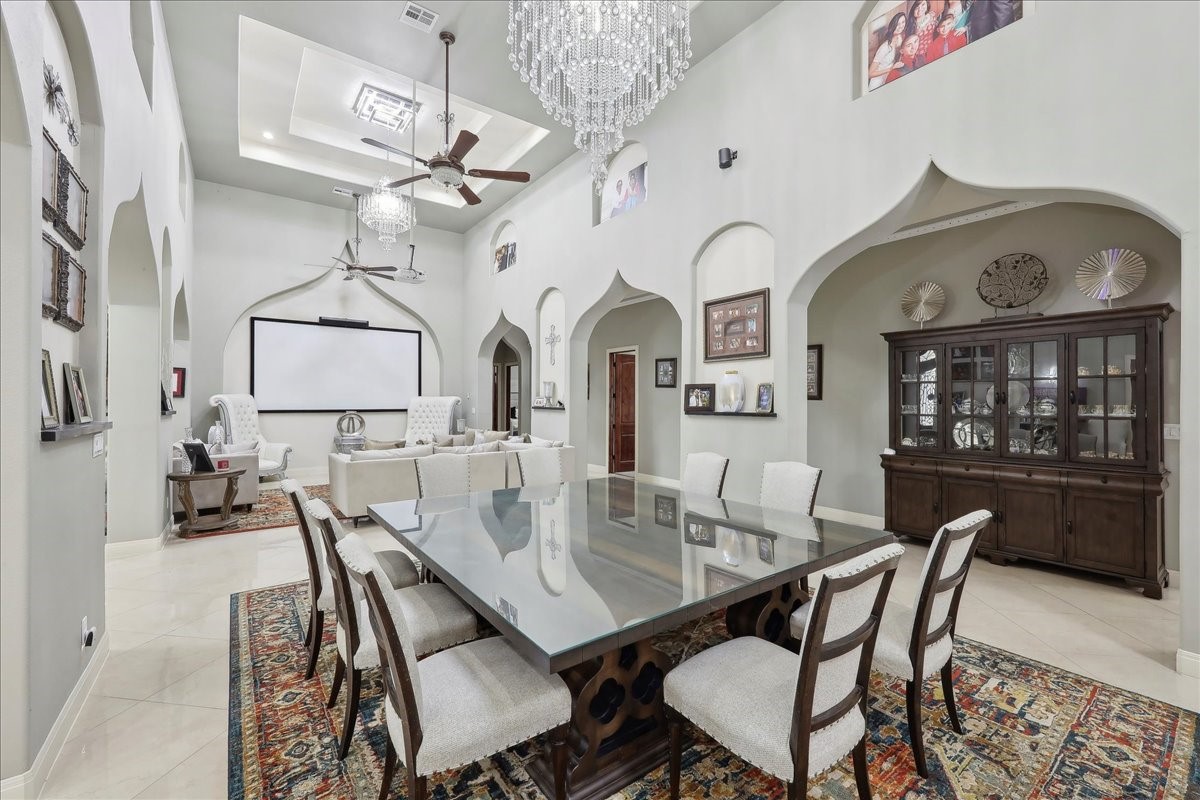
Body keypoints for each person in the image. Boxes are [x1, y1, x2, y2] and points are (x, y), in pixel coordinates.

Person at [867, 11, 907, 90]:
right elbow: (870, 74)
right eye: (898, 24)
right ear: (893, 26)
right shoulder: (885, 47)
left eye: (903, 22)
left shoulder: (900, 38)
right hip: (877, 83)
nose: (901, 26)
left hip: (888, 78)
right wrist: (891, 68)